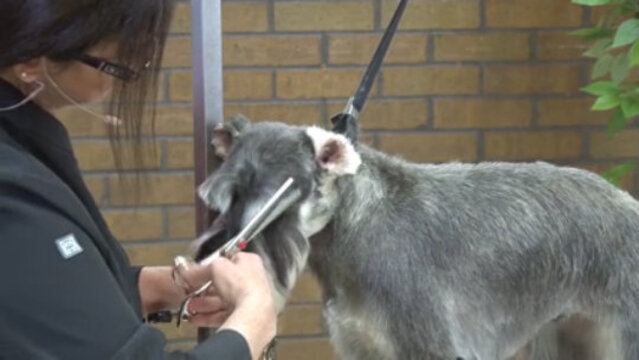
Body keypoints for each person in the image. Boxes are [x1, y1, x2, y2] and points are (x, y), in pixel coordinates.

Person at [0, 1, 276, 359]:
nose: (128, 74)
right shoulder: (10, 190)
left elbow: (30, 293)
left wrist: (156, 287)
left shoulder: (20, 143)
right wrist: (254, 321)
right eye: (115, 66)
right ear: (29, 62)